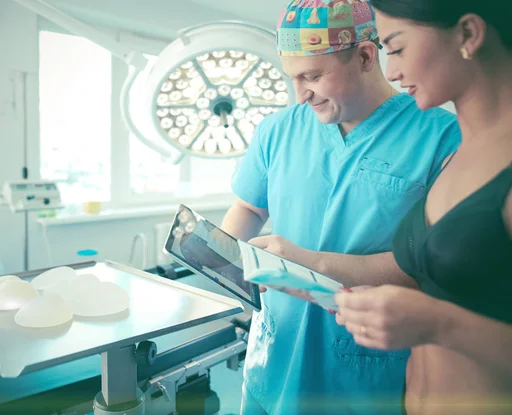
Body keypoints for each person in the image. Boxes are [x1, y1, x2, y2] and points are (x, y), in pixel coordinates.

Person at [219, 0, 461, 414]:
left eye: (313, 76)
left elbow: (434, 267)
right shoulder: (278, 129)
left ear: (366, 56)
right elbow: (247, 209)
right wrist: (222, 263)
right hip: (272, 360)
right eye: (293, 77)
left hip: (364, 371)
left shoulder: (442, 137)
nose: (302, 94)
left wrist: (309, 263)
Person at [333, 1, 512, 414]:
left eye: (396, 48)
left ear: (468, 34)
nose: (391, 73)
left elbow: (443, 314)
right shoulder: (455, 159)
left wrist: (438, 323)